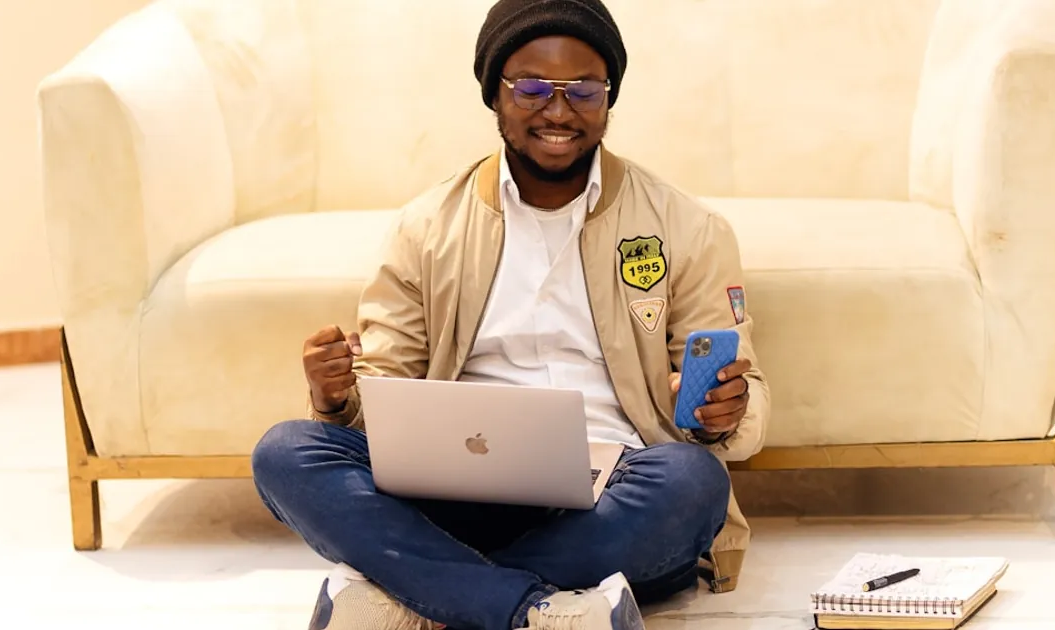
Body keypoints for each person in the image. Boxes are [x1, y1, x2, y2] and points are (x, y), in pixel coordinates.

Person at [251, 1, 770, 628]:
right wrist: (333, 401)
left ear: (609, 97)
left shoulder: (687, 228)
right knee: (286, 452)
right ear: (494, 94)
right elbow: (385, 400)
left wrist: (724, 414)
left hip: (611, 494)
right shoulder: (426, 228)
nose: (559, 112)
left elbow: (744, 407)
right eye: (531, 89)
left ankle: (417, 595)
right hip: (455, 491)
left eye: (584, 90)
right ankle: (537, 611)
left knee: (692, 483)